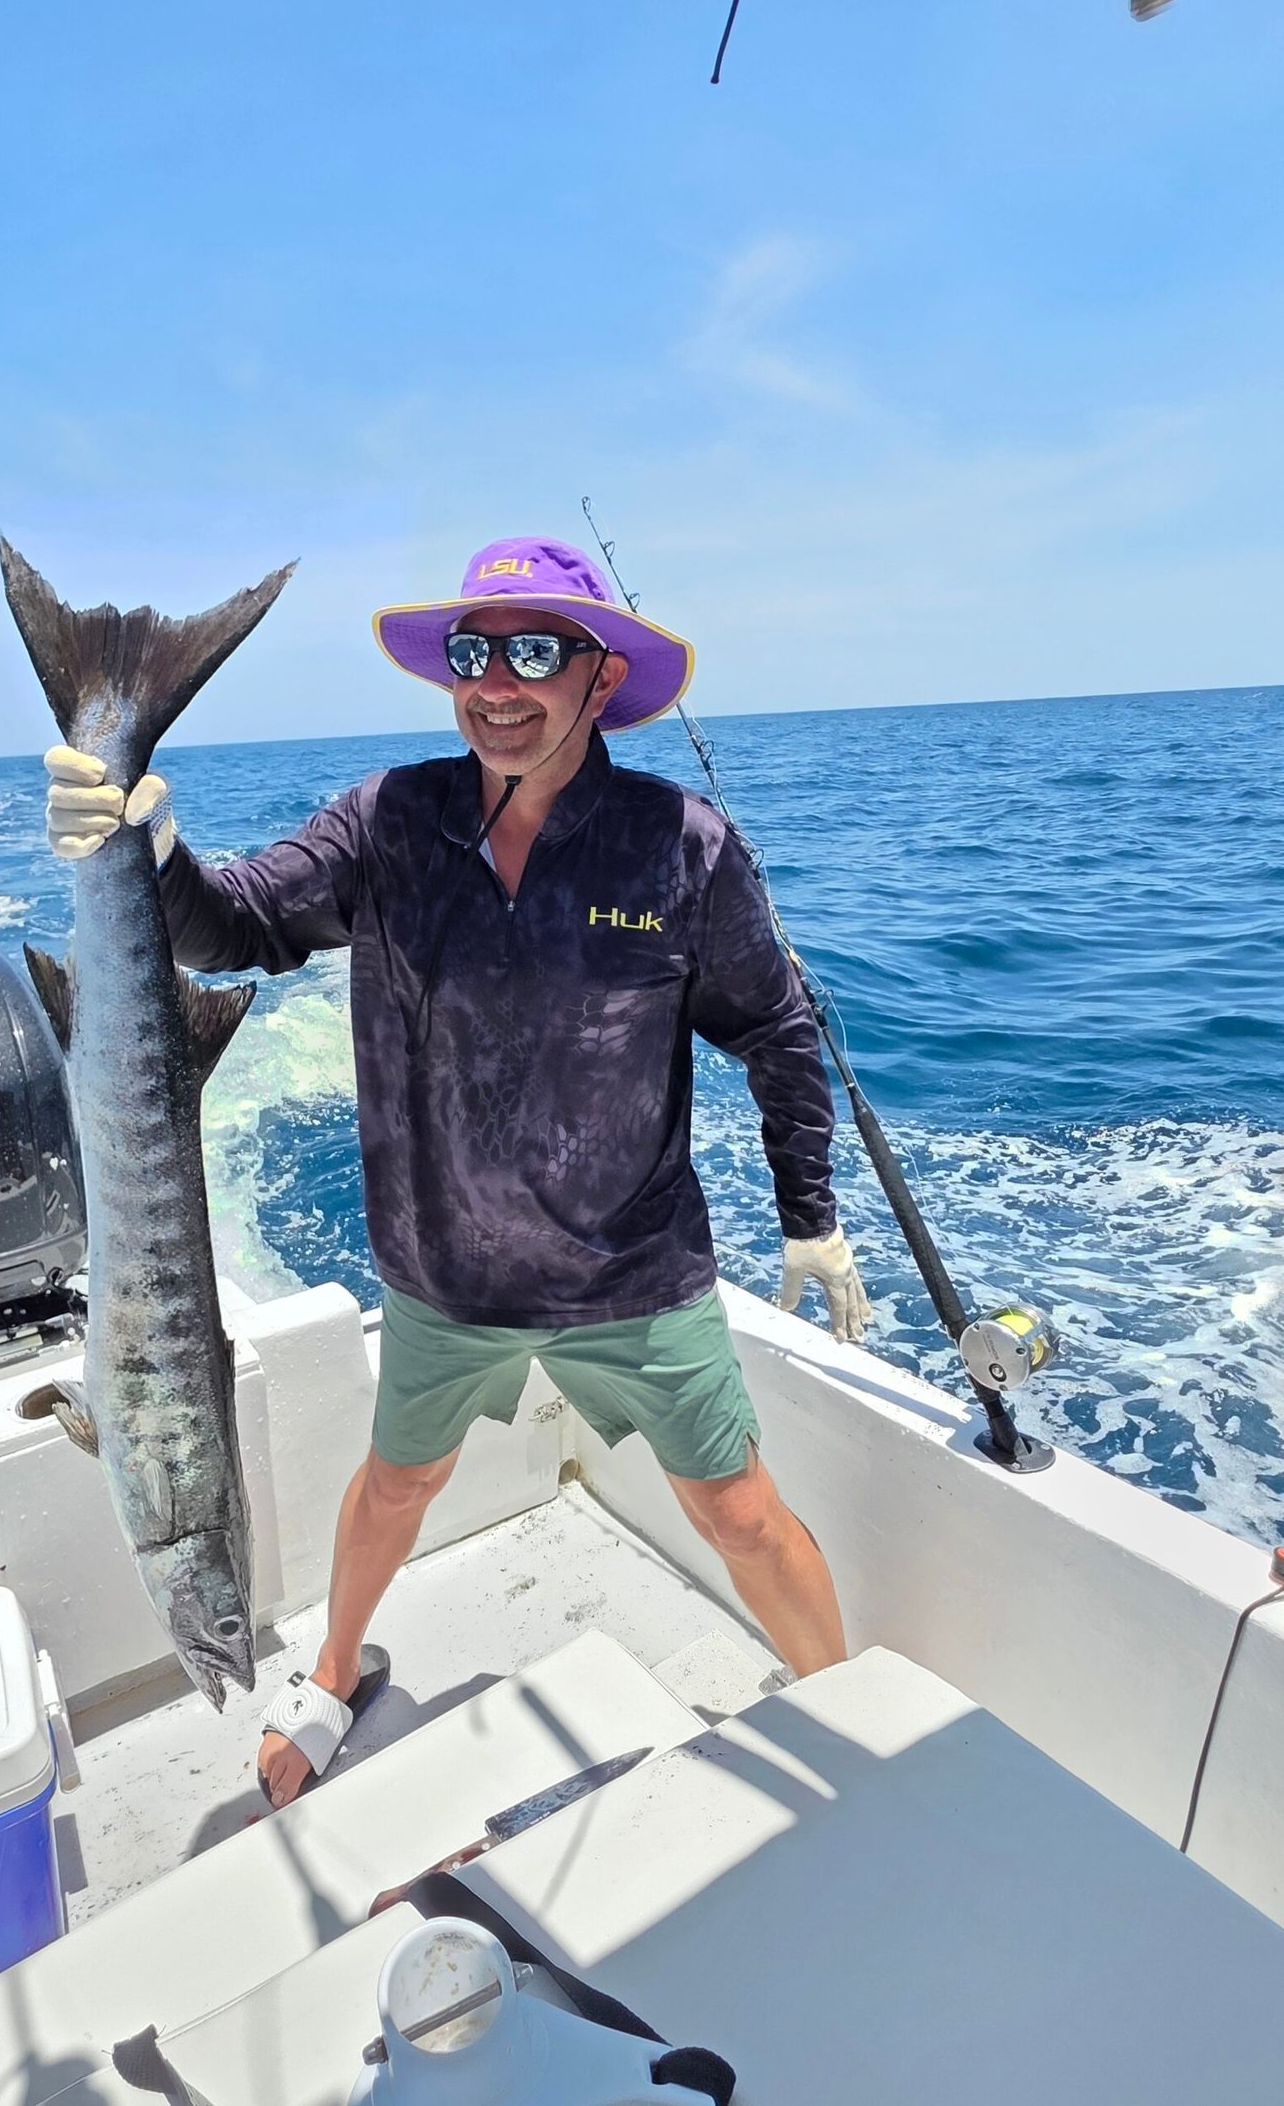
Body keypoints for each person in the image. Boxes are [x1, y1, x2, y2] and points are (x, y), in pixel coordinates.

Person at [46, 534, 870, 1810]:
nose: (496, 682)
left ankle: (849, 1714)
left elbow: (775, 1027)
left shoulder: (681, 845)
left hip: (633, 1277)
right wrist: (151, 856)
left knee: (741, 1514)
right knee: (396, 1484)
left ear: (601, 677)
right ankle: (333, 1671)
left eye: (535, 652)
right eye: (474, 653)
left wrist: (809, 1217)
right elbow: (238, 924)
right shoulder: (389, 821)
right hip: (442, 1276)